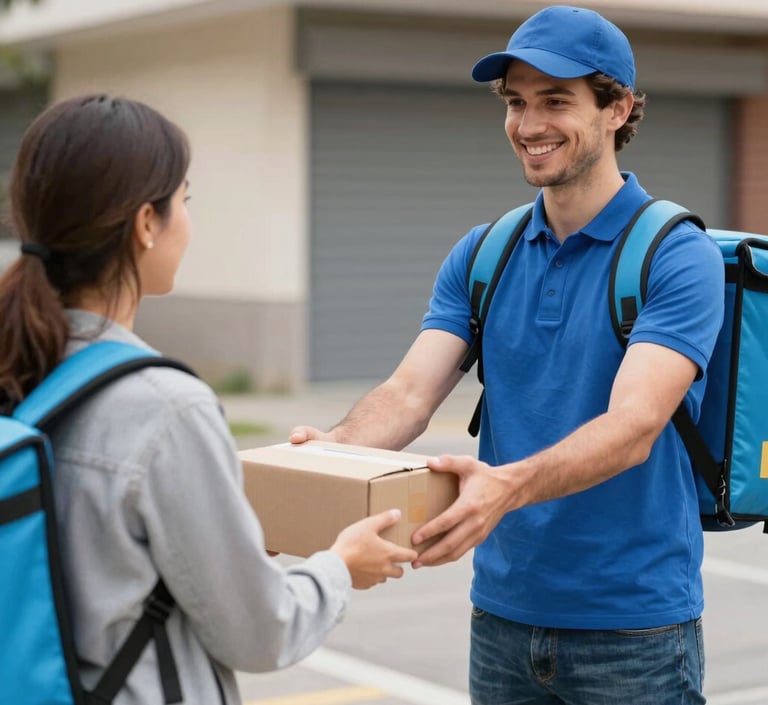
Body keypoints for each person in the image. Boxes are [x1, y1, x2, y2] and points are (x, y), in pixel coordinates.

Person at [290, 6, 725, 704]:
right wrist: (329, 453)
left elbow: (635, 425)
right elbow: (408, 395)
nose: (529, 124)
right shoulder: (484, 253)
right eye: (517, 102)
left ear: (616, 108)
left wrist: (507, 486)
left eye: (557, 100)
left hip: (634, 632)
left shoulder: (676, 254)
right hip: (502, 618)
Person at [0, 94, 418, 705]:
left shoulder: (19, 368)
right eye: (184, 201)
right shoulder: (164, 407)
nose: (187, 221)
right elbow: (259, 631)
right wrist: (339, 566)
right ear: (147, 224)